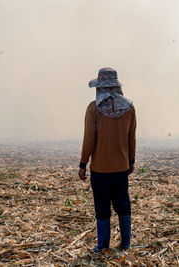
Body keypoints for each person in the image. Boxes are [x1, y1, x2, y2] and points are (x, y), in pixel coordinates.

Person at [78, 67, 136, 253]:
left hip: (100, 169)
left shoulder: (93, 108)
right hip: (121, 167)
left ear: (100, 88)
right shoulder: (129, 108)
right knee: (123, 204)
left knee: (102, 207)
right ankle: (125, 243)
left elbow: (89, 139)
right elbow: (131, 137)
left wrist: (83, 164)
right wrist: (131, 161)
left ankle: (103, 245)